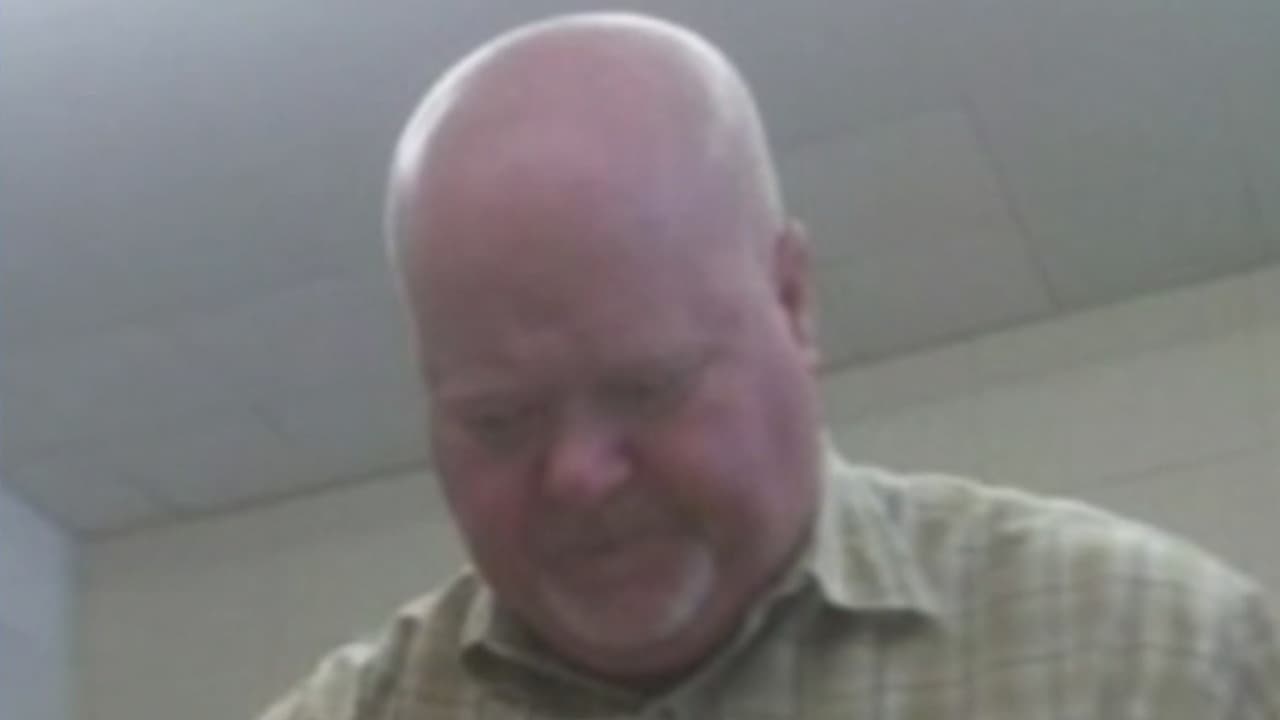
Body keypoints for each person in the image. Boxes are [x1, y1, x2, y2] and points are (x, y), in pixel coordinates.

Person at [260, 12, 1280, 720]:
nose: (576, 475)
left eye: (648, 385)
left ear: (792, 301)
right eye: (497, 419)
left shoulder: (1158, 661)